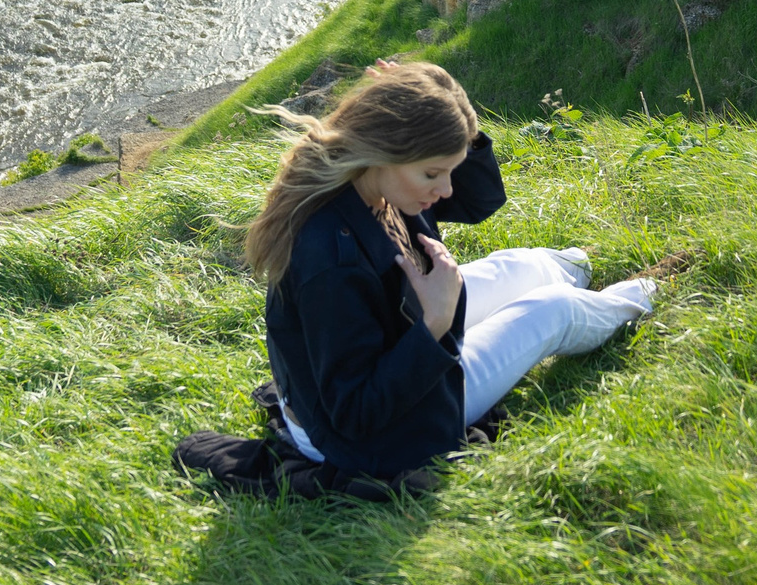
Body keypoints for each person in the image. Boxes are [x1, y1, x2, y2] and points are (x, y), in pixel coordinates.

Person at [241, 60, 664, 480]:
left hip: (399, 335)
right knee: (554, 311)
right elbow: (355, 414)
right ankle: (649, 290)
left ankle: (591, 266)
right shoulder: (330, 258)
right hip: (373, 431)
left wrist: (453, 119)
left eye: (449, 170)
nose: (445, 189)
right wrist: (434, 323)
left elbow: (479, 202)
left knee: (521, 266)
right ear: (385, 150)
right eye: (433, 173)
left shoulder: (373, 183)